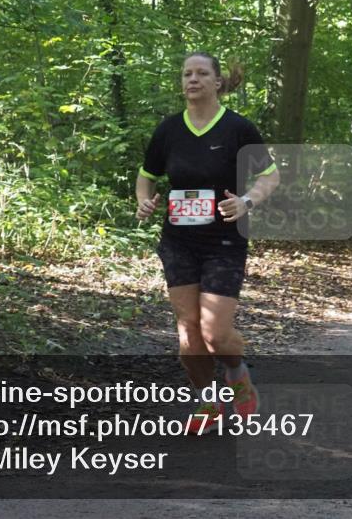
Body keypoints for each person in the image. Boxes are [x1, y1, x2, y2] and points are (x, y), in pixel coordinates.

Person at [136, 52, 279, 434]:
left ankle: (237, 373)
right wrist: (144, 200)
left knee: (215, 334)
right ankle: (208, 401)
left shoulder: (237, 128)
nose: (192, 79)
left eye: (201, 73)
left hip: (224, 240)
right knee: (188, 333)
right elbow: (146, 175)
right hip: (178, 241)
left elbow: (269, 176)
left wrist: (246, 200)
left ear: (218, 82)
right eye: (187, 74)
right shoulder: (168, 130)